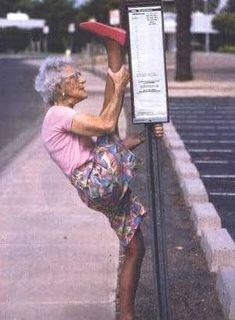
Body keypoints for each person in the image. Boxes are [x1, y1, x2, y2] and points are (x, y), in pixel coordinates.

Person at [35, 22, 163, 320]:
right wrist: (119, 86)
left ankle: (126, 316)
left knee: (136, 247)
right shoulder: (56, 115)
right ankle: (113, 48)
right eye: (74, 76)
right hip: (96, 181)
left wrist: (146, 133)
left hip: (99, 183)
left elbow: (113, 142)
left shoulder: (65, 116)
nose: (80, 80)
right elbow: (106, 124)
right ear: (59, 87)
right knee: (109, 130)